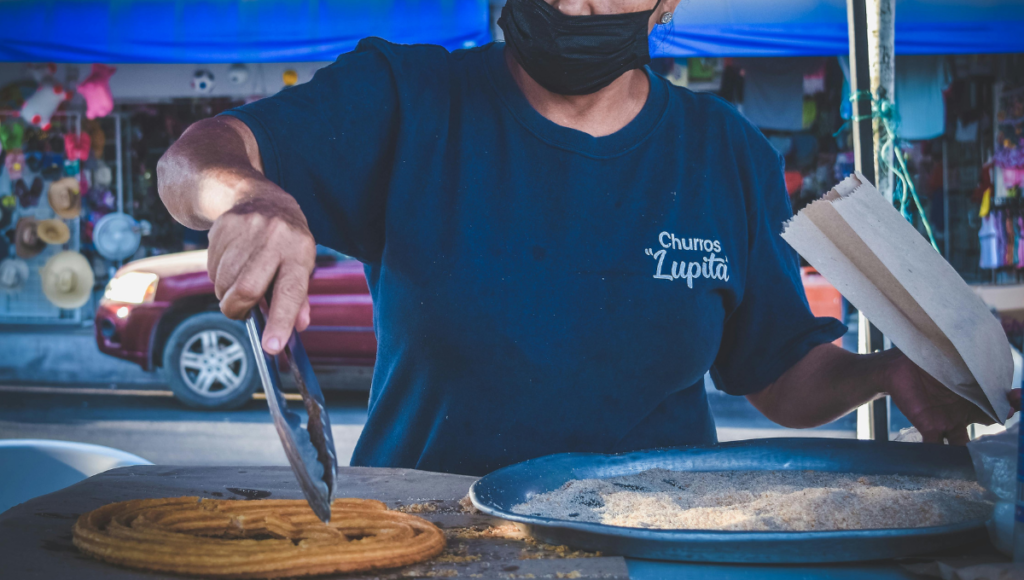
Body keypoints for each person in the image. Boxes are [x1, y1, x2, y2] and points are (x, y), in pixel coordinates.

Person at [158, 0, 1019, 476]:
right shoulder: (410, 97)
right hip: (432, 539)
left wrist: (885, 372)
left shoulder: (724, 149)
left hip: (657, 541)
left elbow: (779, 377)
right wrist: (253, 197)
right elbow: (192, 160)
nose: (577, 3)